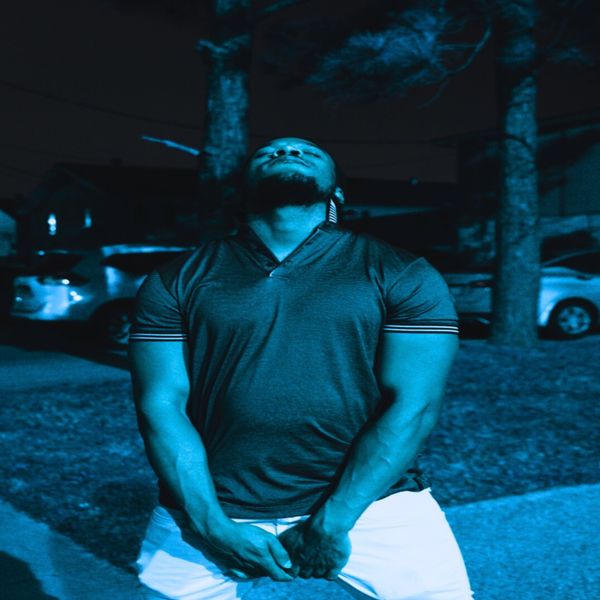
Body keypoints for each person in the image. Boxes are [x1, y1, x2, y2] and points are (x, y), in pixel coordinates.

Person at [128, 137, 473, 600]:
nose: (288, 151)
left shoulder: (401, 271)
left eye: (308, 151)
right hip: (214, 502)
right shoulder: (176, 278)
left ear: (337, 193)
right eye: (268, 152)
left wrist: (333, 521)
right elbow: (160, 404)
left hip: (371, 502)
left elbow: (414, 405)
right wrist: (211, 524)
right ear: (239, 190)